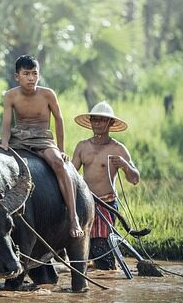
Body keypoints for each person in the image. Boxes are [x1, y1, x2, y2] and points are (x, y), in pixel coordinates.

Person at [0, 55, 84, 238]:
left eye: (34, 74)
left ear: (39, 75)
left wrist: (61, 149)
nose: (31, 78)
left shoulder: (47, 94)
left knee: (59, 164)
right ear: (17, 76)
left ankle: (73, 217)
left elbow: (59, 120)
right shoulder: (10, 95)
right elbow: (6, 123)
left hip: (42, 138)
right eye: (26, 74)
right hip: (18, 137)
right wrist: (4, 142)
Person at [71, 101, 140, 270]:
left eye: (102, 120)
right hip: (85, 204)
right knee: (81, 248)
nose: (97, 123)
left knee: (101, 247)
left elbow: (135, 179)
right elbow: (71, 174)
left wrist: (125, 165)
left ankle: (108, 272)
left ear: (110, 123)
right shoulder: (82, 147)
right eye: (95, 120)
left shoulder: (118, 149)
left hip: (106, 204)